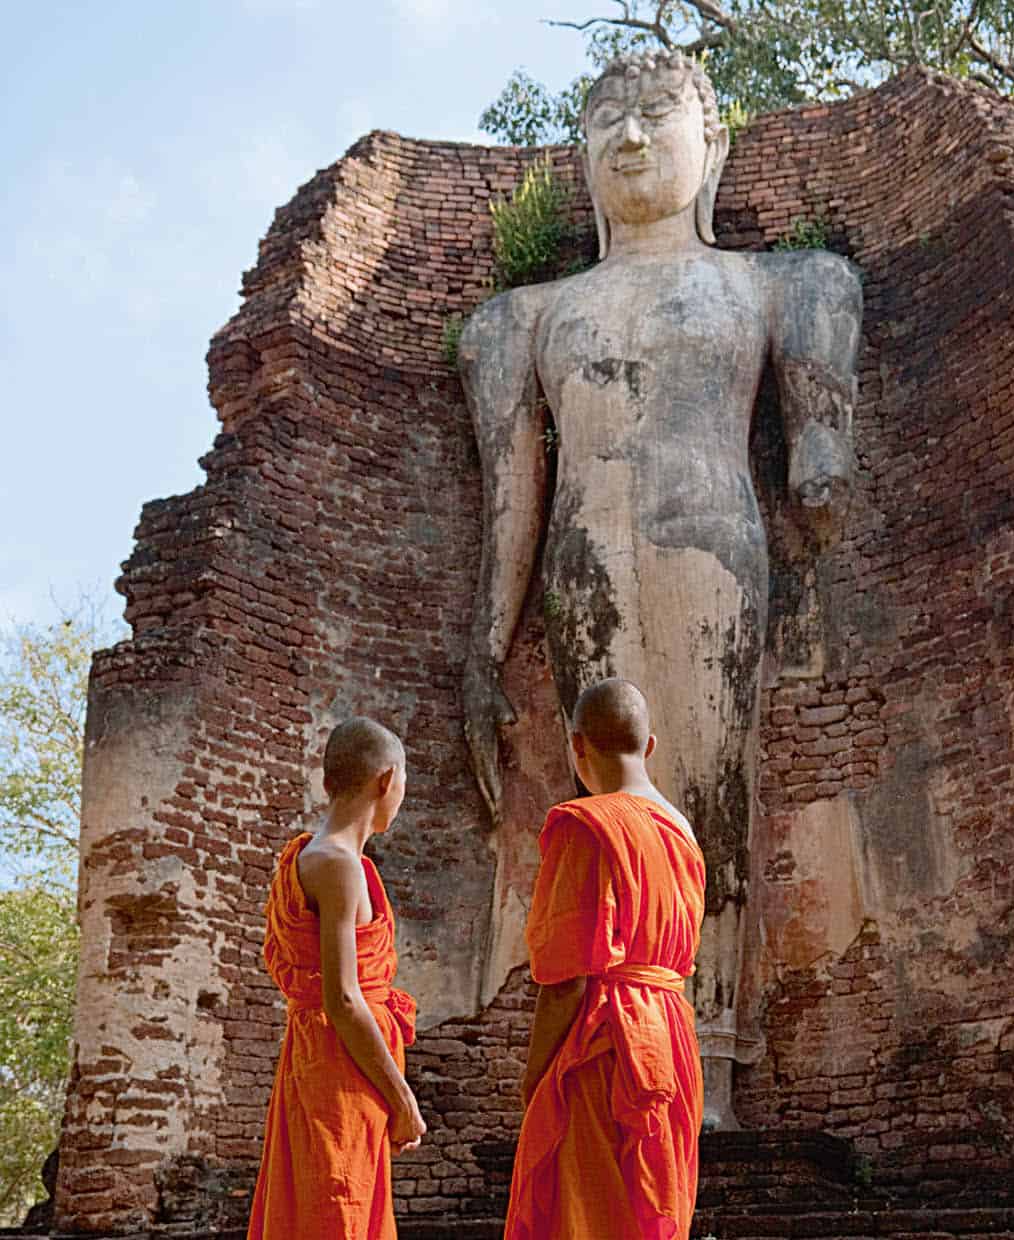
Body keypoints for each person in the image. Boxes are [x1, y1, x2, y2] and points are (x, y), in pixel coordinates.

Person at [459, 49, 860, 1125]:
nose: (631, 141)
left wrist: (823, 447)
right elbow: (513, 507)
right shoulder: (526, 319)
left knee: (706, 800)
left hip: (710, 548)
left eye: (656, 115)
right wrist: (483, 649)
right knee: (605, 810)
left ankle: (705, 1066)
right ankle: (606, 1052)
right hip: (584, 558)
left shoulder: (775, 283)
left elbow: (822, 450)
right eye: (607, 124)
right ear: (583, 161)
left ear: (711, 144)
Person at [505, 679, 706, 1240]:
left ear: (578, 747)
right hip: (669, 1045)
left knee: (587, 1219)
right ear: (649, 747)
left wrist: (534, 1082)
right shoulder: (685, 834)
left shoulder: (585, 826)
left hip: (604, 1048)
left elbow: (564, 979)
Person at [247, 717, 426, 1240]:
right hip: (339, 1067)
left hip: (315, 1060)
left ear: (328, 783)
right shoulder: (340, 865)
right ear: (387, 781)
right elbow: (344, 999)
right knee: (338, 1209)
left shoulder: (308, 856)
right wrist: (403, 1101)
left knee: (323, 1205)